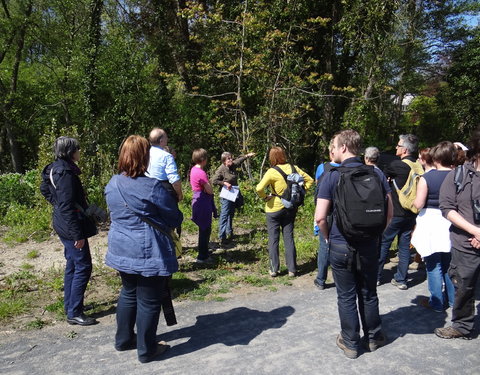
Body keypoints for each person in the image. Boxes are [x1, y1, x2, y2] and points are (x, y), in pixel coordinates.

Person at [315, 129, 393, 359]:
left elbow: (320, 217)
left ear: (343, 148)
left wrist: (329, 237)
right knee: (368, 292)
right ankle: (373, 337)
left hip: (341, 244)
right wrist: (377, 235)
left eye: (334, 146)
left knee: (346, 295)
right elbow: (390, 213)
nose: (332, 151)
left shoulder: (331, 175)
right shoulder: (376, 174)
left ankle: (350, 342)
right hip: (370, 243)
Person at [105, 135, 183, 363]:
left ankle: (124, 339)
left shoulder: (113, 183)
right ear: (144, 157)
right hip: (148, 251)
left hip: (122, 248)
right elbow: (173, 217)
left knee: (129, 293)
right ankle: (147, 350)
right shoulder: (152, 187)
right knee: (149, 300)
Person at [40, 136, 97, 326]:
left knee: (73, 264)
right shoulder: (65, 173)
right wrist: (77, 235)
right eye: (77, 149)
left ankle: (70, 305)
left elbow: (44, 189)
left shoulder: (53, 168)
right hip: (69, 225)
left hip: (62, 222)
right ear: (70, 152)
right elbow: (66, 206)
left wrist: (56, 204)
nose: (79, 152)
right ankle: (74, 312)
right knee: (83, 266)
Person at [435, 128, 480, 340]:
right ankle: (462, 325)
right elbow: (447, 208)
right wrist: (474, 231)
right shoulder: (459, 175)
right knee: (464, 285)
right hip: (465, 243)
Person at [411, 141, 456, 312]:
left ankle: (436, 302)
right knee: (449, 264)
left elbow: (419, 203)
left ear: (436, 157)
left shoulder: (427, 178)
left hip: (431, 221)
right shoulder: (458, 176)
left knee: (433, 263)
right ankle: (453, 302)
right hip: (452, 220)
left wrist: (413, 201)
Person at [256, 146, 313, 277]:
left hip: (274, 208)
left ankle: (274, 269)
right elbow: (310, 180)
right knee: (289, 237)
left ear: (272, 157)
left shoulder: (271, 171)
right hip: (290, 208)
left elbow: (259, 188)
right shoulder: (294, 168)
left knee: (273, 239)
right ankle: (292, 269)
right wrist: (303, 191)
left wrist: (265, 197)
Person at [377, 134, 420, 289]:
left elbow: (382, 177)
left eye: (398, 145)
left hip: (396, 213)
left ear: (405, 150)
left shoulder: (397, 165)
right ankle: (401, 279)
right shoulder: (419, 166)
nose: (396, 147)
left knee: (384, 243)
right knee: (404, 247)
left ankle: (376, 277)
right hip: (412, 212)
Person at [211, 151, 255, 245]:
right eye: (229, 159)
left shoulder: (233, 165)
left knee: (231, 213)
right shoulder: (221, 169)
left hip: (233, 193)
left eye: (231, 158)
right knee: (224, 214)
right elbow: (214, 180)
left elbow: (239, 160)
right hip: (226, 195)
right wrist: (224, 183)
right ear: (224, 161)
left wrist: (247, 156)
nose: (231, 160)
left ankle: (229, 232)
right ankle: (222, 236)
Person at [313, 140, 339, 290]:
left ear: (330, 152)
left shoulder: (322, 168)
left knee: (324, 245)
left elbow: (318, 187)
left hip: (326, 212)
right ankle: (340, 276)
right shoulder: (346, 169)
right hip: (342, 213)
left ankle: (321, 279)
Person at [190, 148, 217, 263]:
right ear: (203, 159)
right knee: (205, 229)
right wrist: (210, 188)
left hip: (198, 199)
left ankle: (204, 251)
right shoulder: (201, 173)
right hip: (203, 202)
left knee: (204, 228)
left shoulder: (193, 170)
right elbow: (209, 190)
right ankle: (202, 256)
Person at [147, 128, 183, 201]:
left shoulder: (145, 154)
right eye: (166, 137)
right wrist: (179, 194)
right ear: (161, 141)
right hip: (162, 191)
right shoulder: (167, 156)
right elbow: (174, 180)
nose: (167, 139)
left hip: (146, 190)